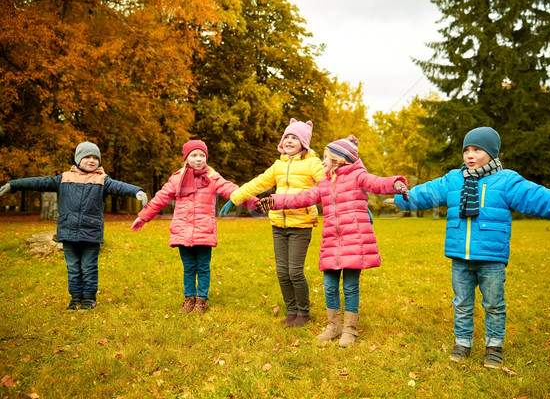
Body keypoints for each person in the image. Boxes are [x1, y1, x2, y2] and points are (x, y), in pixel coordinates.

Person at [387, 126, 550, 368]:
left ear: (491, 153)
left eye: (477, 150)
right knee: (462, 303)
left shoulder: (506, 181)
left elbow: (538, 196)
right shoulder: (454, 179)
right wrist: (399, 200)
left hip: (491, 257)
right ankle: (463, 343)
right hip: (460, 256)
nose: (470, 155)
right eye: (467, 150)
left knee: (494, 305)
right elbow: (425, 192)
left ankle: (494, 346)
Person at [255, 135, 409, 346]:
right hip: (332, 241)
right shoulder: (325, 183)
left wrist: (396, 184)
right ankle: (333, 326)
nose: (323, 160)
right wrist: (275, 201)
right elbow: (301, 198)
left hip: (355, 241)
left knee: (351, 287)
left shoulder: (358, 177)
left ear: (338, 160)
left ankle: (350, 329)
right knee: (329, 286)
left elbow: (377, 183)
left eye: (326, 156)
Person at [0, 142, 148, 311]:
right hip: (68, 231)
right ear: (78, 159)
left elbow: (120, 187)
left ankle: (89, 298)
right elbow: (39, 182)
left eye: (95, 158)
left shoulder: (102, 180)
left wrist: (137, 191)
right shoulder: (64, 178)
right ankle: (75, 297)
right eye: (87, 157)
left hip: (91, 232)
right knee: (73, 268)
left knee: (88, 267)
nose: (92, 160)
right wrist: (13, 185)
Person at [219, 118, 325, 327]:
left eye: (295, 137)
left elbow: (329, 184)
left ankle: (303, 313)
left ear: (304, 142)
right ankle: (291, 311)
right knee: (282, 272)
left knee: (295, 271)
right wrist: (235, 198)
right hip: (278, 225)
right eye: (287, 137)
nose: (289, 141)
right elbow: (257, 183)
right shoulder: (278, 166)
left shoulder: (313, 163)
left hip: (300, 225)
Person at [131, 139, 255, 315]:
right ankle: (189, 299)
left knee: (203, 267)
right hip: (182, 231)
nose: (199, 159)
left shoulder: (212, 178)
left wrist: (256, 203)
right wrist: (143, 217)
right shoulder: (177, 179)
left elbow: (233, 190)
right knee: (189, 267)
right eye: (194, 155)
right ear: (186, 158)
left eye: (202, 155)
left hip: (204, 230)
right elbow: (160, 199)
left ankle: (202, 300)